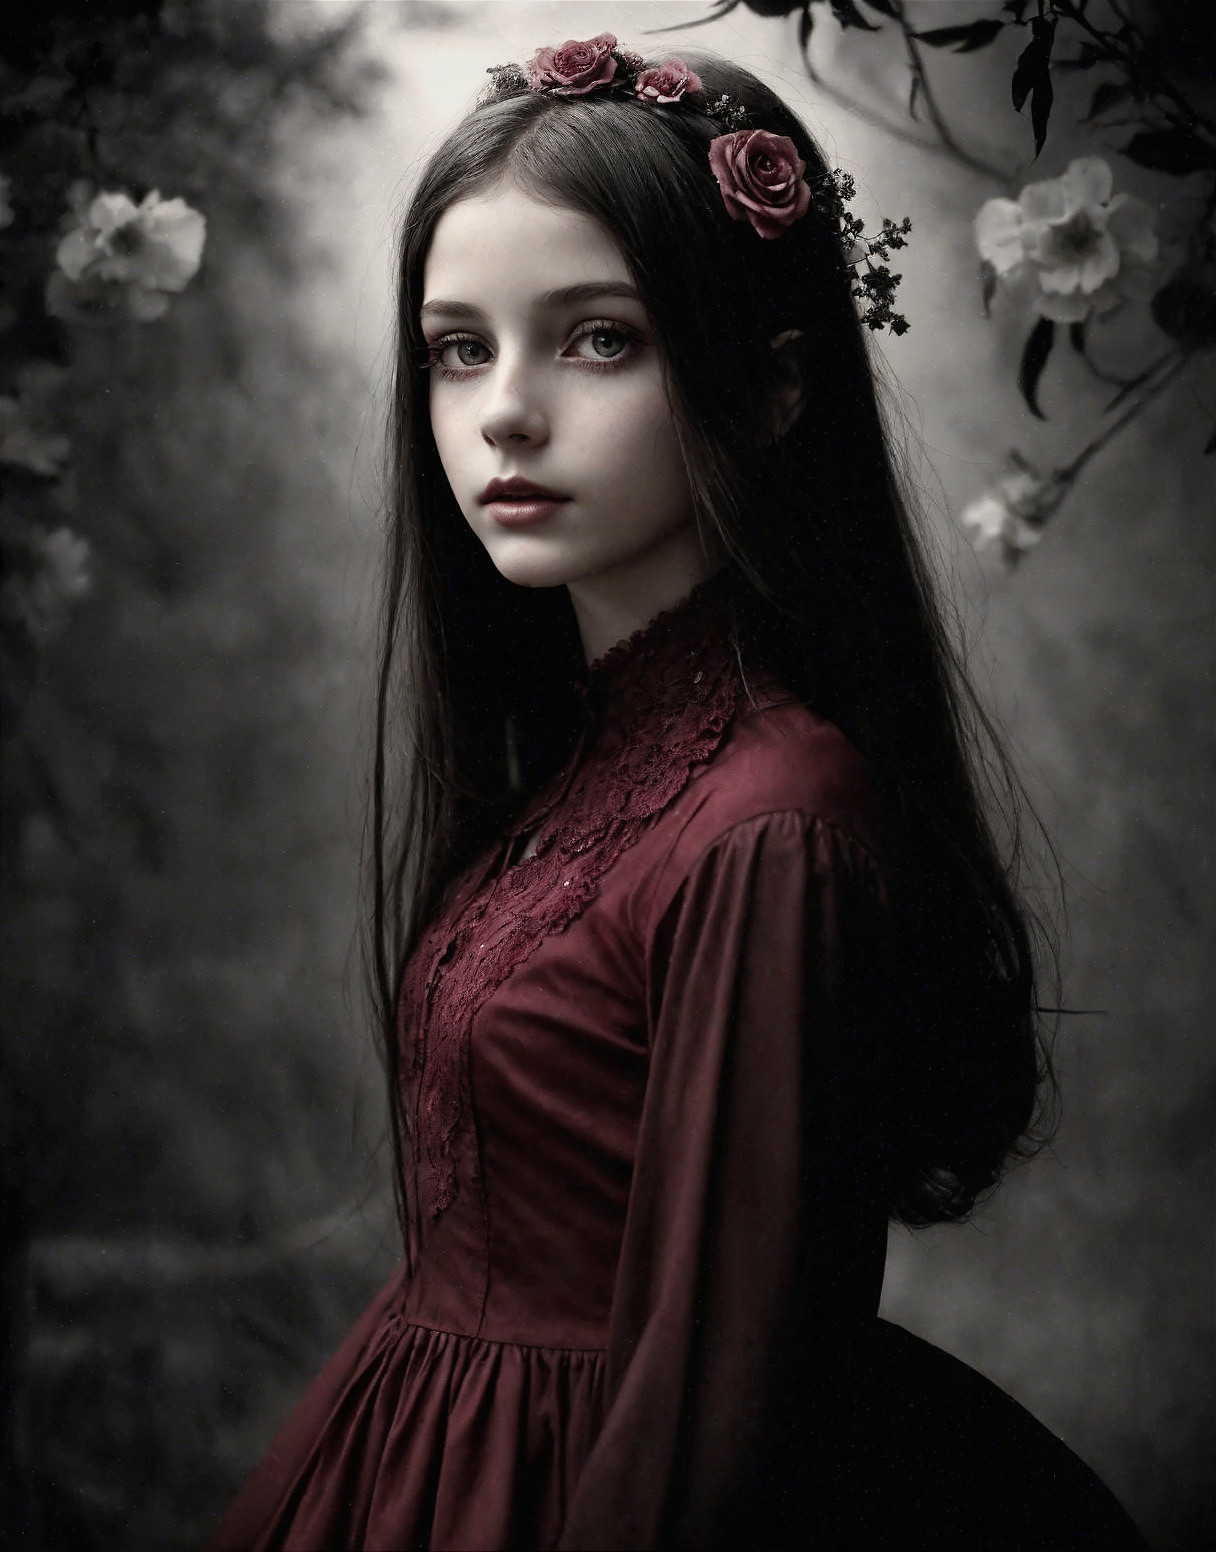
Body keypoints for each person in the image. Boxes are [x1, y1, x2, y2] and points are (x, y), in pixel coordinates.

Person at [207, 37, 1149, 1552]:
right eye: (458, 347)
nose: (504, 413)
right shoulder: (593, 759)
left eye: (596, 340)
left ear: (772, 387)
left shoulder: (770, 822)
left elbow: (714, 1408)